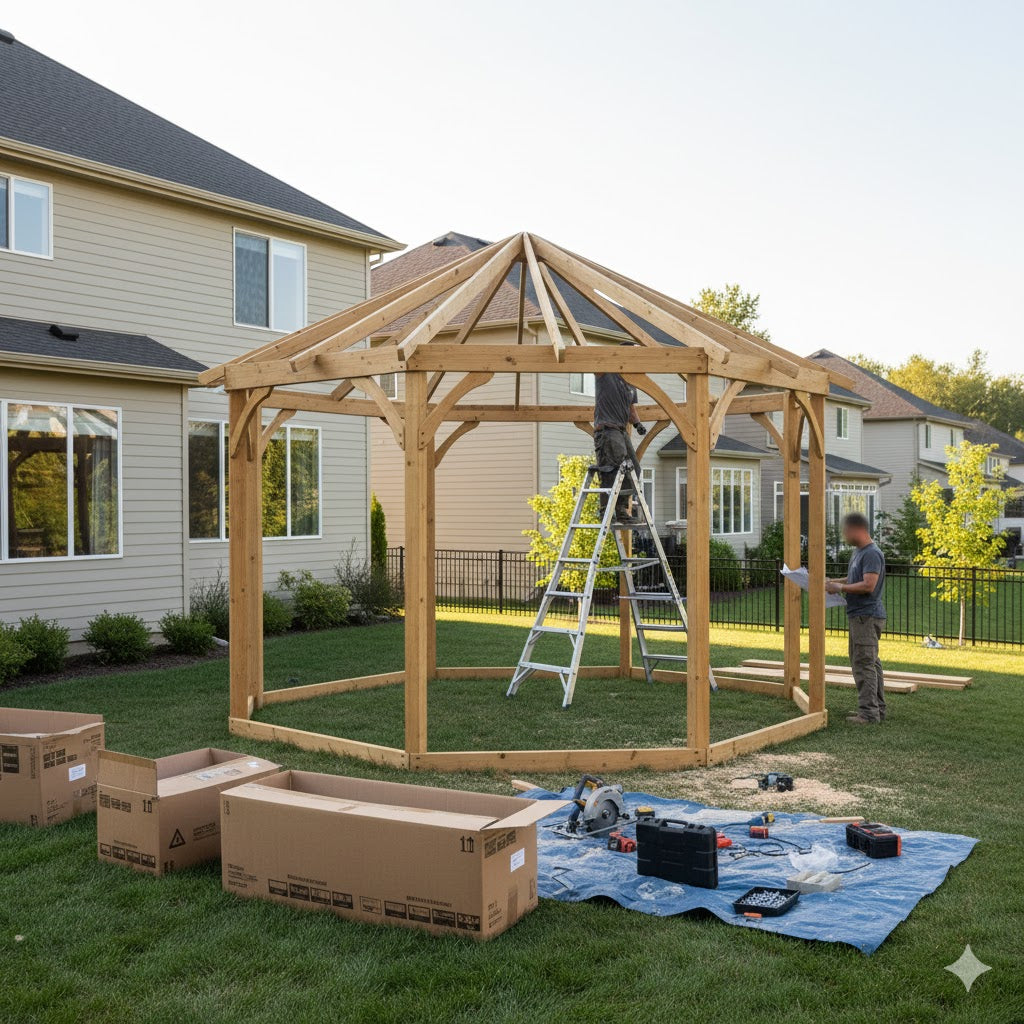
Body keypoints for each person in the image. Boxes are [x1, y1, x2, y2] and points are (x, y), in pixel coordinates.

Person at [826, 512, 887, 724]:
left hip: (866, 616)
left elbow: (868, 585)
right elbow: (855, 578)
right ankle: (877, 708)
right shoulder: (859, 552)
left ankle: (869, 714)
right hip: (860, 616)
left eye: (846, 531)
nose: (844, 535)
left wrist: (840, 588)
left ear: (857, 529)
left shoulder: (871, 553)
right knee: (869, 662)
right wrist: (835, 582)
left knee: (864, 664)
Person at [593, 346, 646, 525]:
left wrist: (637, 424)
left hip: (622, 430)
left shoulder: (630, 381)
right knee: (613, 467)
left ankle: (621, 509)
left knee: (634, 469)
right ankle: (606, 511)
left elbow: (631, 408)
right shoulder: (605, 372)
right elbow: (594, 361)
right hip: (607, 429)